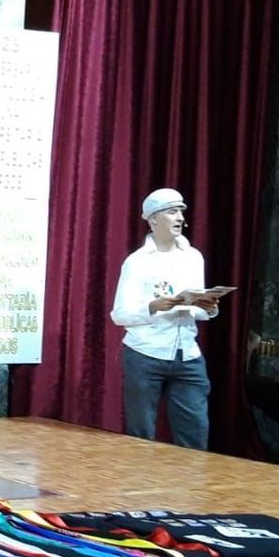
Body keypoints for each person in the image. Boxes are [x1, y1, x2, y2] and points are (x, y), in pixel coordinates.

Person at [110, 188, 218, 450]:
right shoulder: (136, 262)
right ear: (153, 219)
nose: (179, 217)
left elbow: (201, 310)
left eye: (181, 211)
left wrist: (209, 307)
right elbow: (119, 314)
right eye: (172, 212)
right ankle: (141, 486)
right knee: (141, 434)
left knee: (195, 431)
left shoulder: (193, 257)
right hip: (146, 354)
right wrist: (152, 306)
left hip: (188, 355)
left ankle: (190, 487)